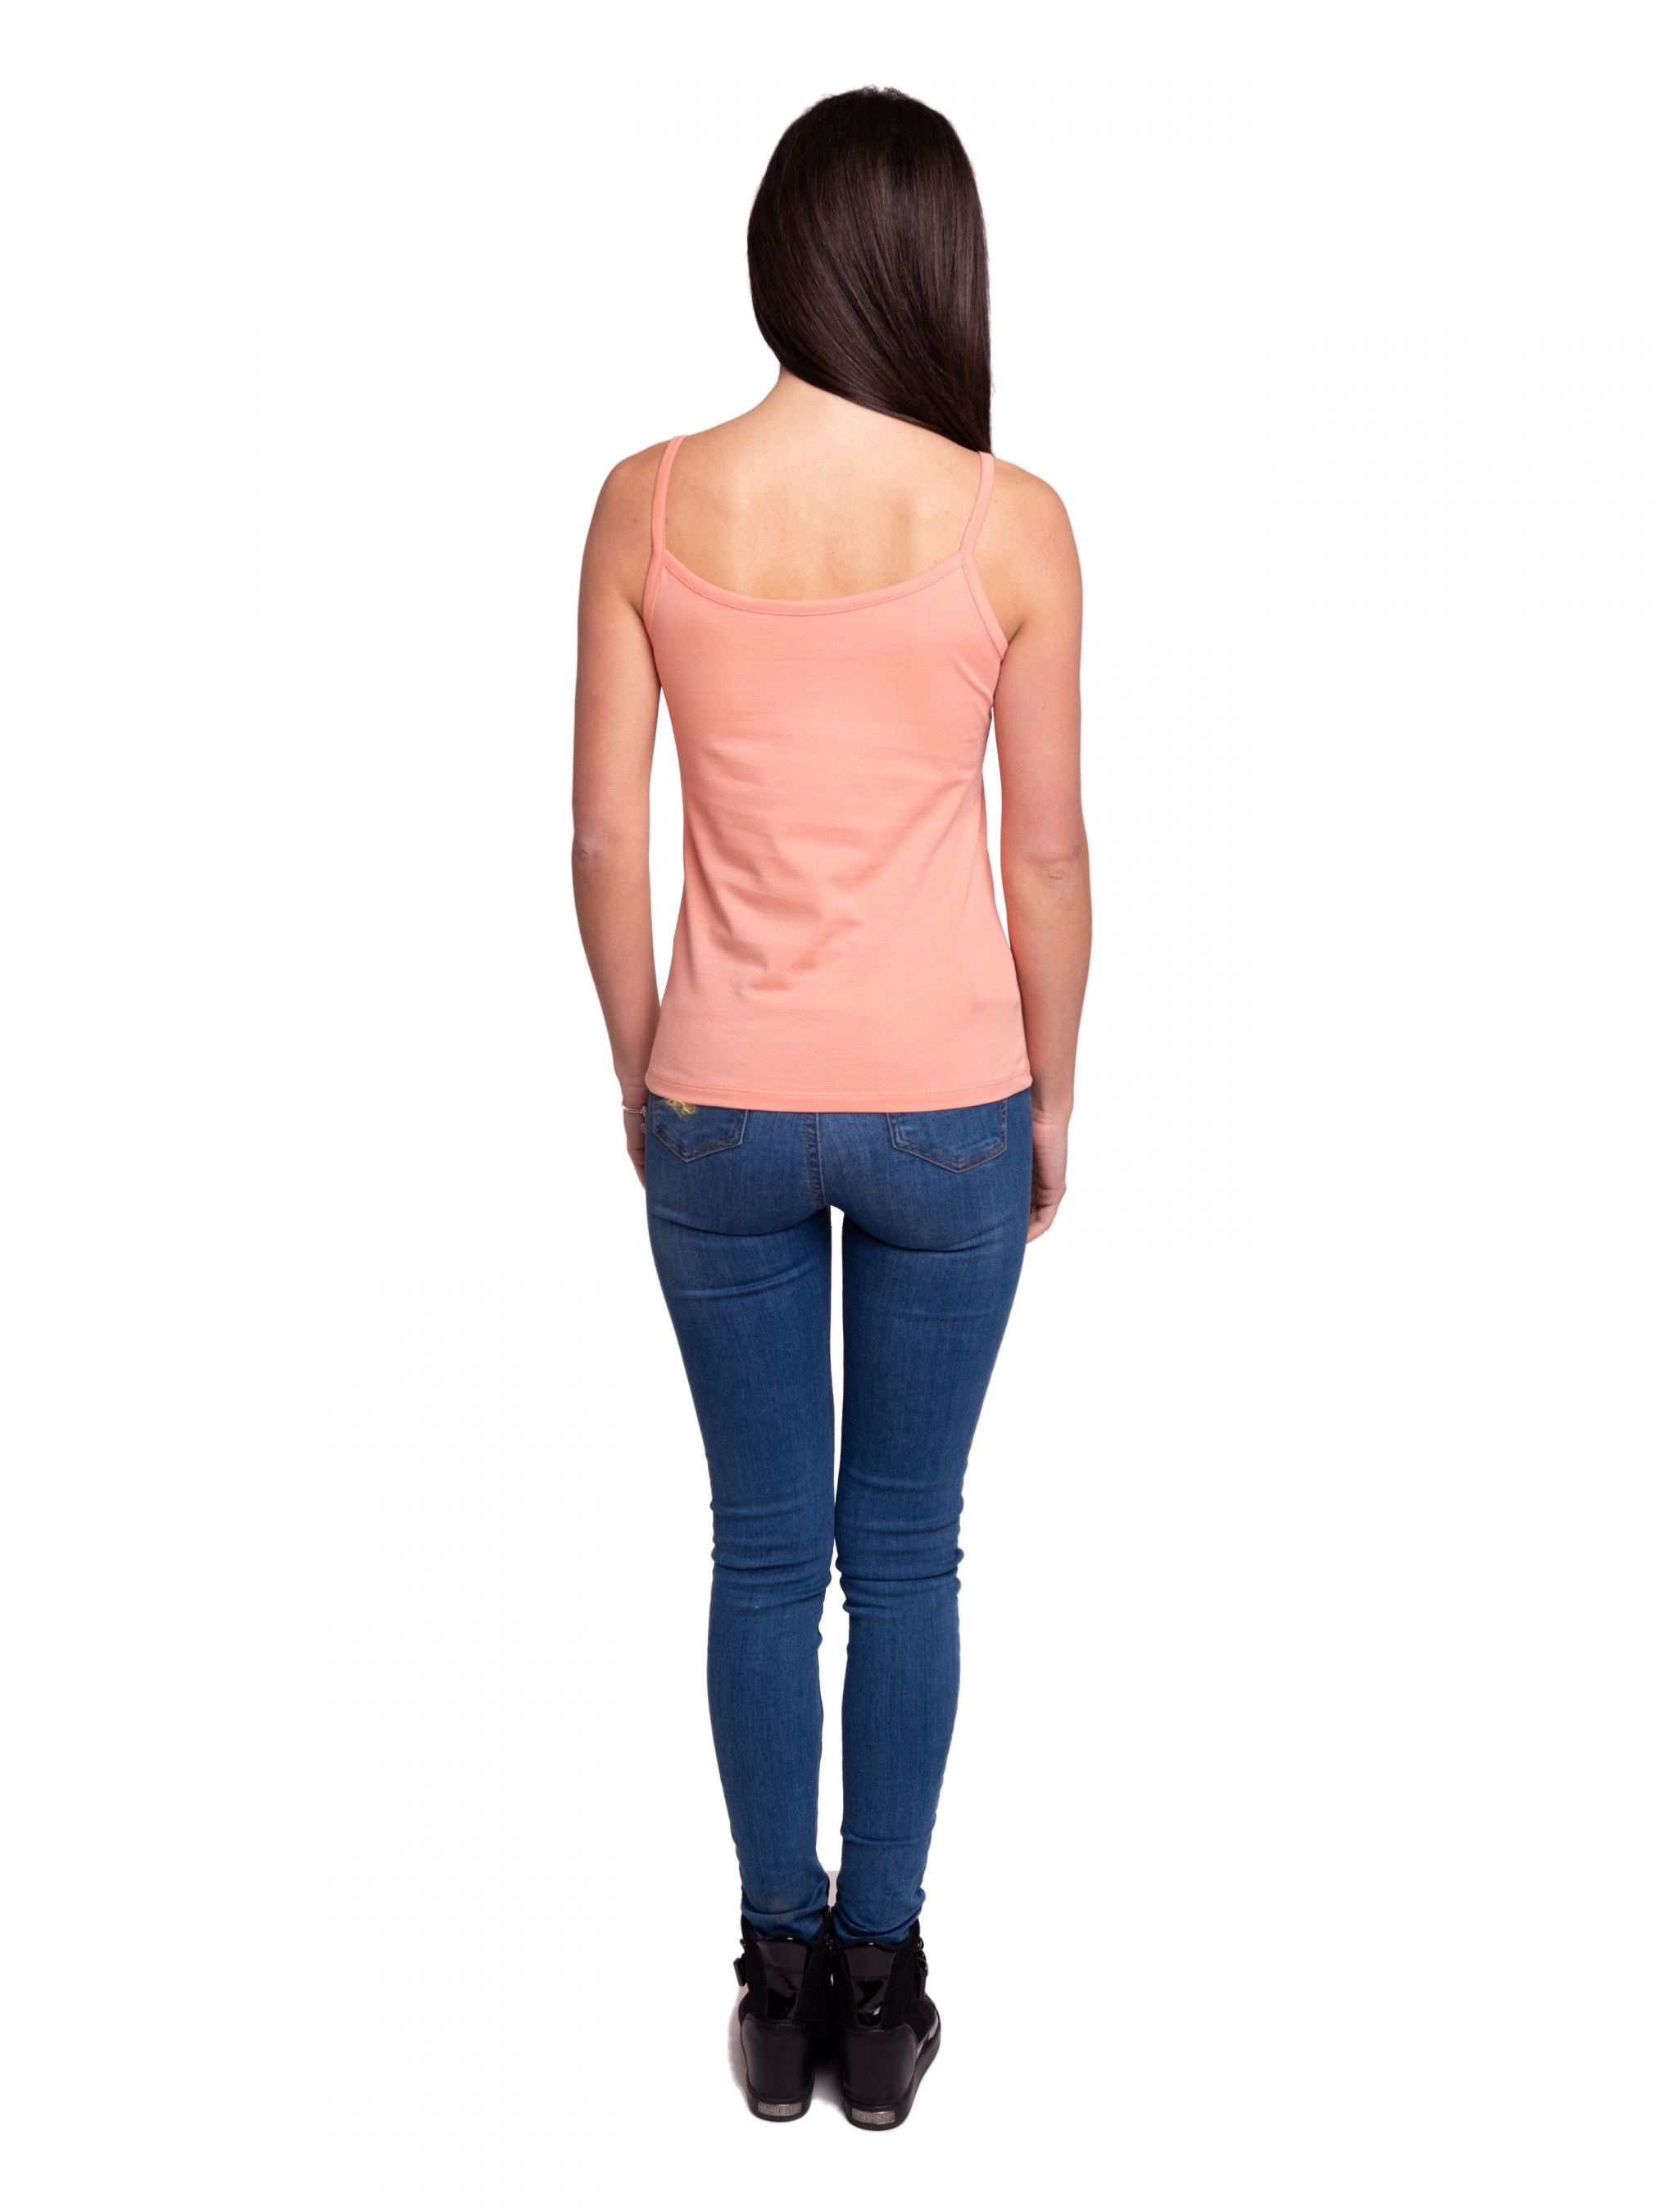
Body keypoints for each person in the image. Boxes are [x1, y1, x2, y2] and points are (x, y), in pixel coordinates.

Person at [572, 86, 1089, 2128]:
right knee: (910, 1553)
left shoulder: (643, 501)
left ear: (779, 255)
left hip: (715, 1099)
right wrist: (1054, 1096)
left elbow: (600, 839)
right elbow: (1044, 854)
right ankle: (881, 1995)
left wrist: (645, 1057)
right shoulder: (1009, 519)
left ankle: (771, 1979)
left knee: (762, 1553)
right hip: (950, 1100)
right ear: (938, 267)